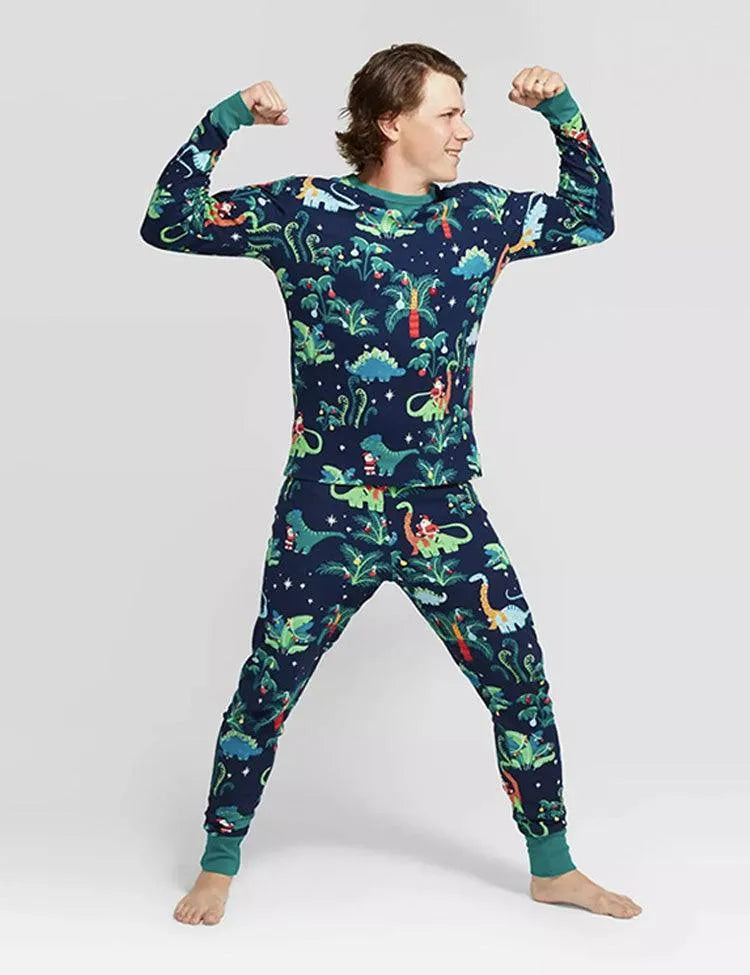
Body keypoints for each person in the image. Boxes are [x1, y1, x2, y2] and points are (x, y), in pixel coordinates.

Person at [140, 42, 642, 925]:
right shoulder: (304, 212)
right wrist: (227, 119)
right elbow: (168, 220)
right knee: (269, 682)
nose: (466, 130)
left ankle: (553, 866)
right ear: (390, 122)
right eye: (448, 114)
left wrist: (562, 113)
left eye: (464, 113)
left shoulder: (480, 218)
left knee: (519, 679)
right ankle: (218, 862)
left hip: (441, 505)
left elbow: (591, 215)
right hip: (325, 504)